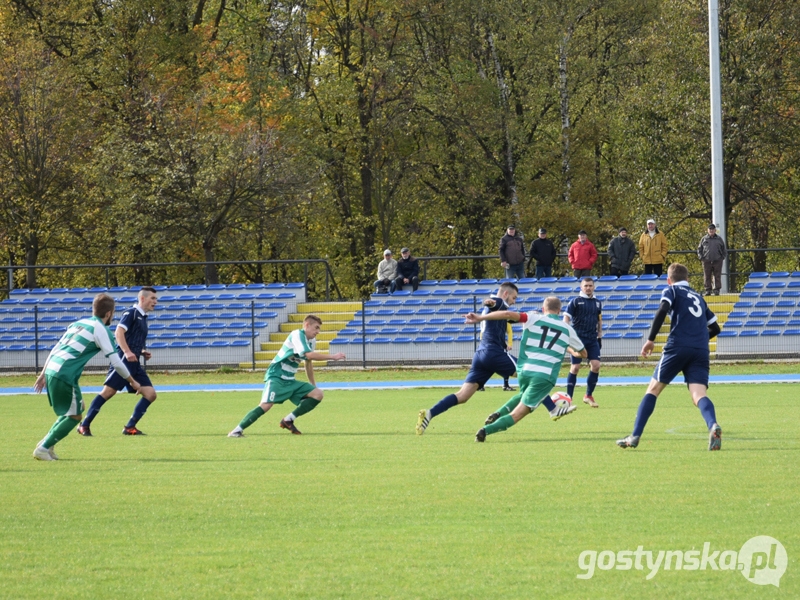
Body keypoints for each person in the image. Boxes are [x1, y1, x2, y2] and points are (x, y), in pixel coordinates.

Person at [415, 283, 570, 434]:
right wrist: (490, 302)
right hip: (494, 353)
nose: (514, 301)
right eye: (514, 298)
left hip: (481, 354)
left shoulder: (497, 309)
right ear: (505, 294)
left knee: (463, 395)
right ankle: (553, 409)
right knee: (534, 376)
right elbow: (494, 303)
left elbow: (503, 314)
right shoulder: (500, 302)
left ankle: (430, 413)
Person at [617, 263, 722, 450]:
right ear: (688, 279)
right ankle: (713, 424)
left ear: (669, 280)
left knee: (653, 390)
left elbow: (662, 310)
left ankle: (634, 436)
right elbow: (715, 328)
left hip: (677, 346)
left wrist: (650, 339)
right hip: (700, 350)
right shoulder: (698, 297)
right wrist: (697, 338)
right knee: (698, 394)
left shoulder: (671, 291)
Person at [32, 294, 142, 460]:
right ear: (109, 314)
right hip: (65, 373)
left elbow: (55, 349)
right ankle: (43, 447)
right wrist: (133, 382)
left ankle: (47, 446)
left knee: (78, 407)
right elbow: (117, 363)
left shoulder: (78, 323)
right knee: (75, 416)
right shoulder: (101, 329)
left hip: (53, 369)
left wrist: (42, 374)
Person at [470, 296, 586, 442]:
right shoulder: (567, 329)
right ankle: (485, 431)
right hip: (544, 375)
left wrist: (481, 317)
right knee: (517, 414)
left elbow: (507, 314)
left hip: (524, 371)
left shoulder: (533, 317)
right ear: (560, 310)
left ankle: (498, 413)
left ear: (544, 309)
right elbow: (583, 352)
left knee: (524, 394)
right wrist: (572, 351)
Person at [228, 315, 346, 437]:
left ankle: (288, 420)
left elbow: (308, 362)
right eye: (316, 328)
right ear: (307, 325)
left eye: (319, 329)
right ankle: (236, 430)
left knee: (317, 394)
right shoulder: (297, 334)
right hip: (276, 376)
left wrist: (312, 385)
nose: (318, 332)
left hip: (290, 380)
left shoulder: (311, 341)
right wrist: (332, 356)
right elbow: (308, 355)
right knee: (266, 405)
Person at [78, 286, 159, 436]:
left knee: (150, 394)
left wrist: (140, 352)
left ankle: (129, 427)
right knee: (108, 392)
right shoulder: (131, 313)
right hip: (123, 360)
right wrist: (127, 352)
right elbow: (119, 332)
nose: (156, 301)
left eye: (156, 298)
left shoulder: (143, 317)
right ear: (142, 298)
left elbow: (130, 338)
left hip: (134, 363)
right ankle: (84, 425)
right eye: (152, 298)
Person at [564, 277, 603, 407]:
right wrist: (567, 335)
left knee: (596, 365)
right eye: (585, 285)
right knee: (575, 368)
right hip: (577, 340)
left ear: (594, 287)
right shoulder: (575, 302)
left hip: (592, 339)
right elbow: (566, 318)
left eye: (590, 285)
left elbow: (599, 321)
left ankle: (588, 395)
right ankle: (569, 398)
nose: (588, 288)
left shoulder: (597, 303)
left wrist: (599, 336)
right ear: (581, 287)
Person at [697, 223, 727, 296]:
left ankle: (717, 290)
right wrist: (701, 257)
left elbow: (724, 249)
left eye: (712, 229)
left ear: (715, 230)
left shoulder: (719, 239)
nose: (711, 231)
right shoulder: (704, 239)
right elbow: (699, 249)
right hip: (706, 260)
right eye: (710, 229)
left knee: (717, 275)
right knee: (707, 275)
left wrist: (722, 257)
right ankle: (708, 290)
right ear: (707, 230)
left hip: (717, 260)